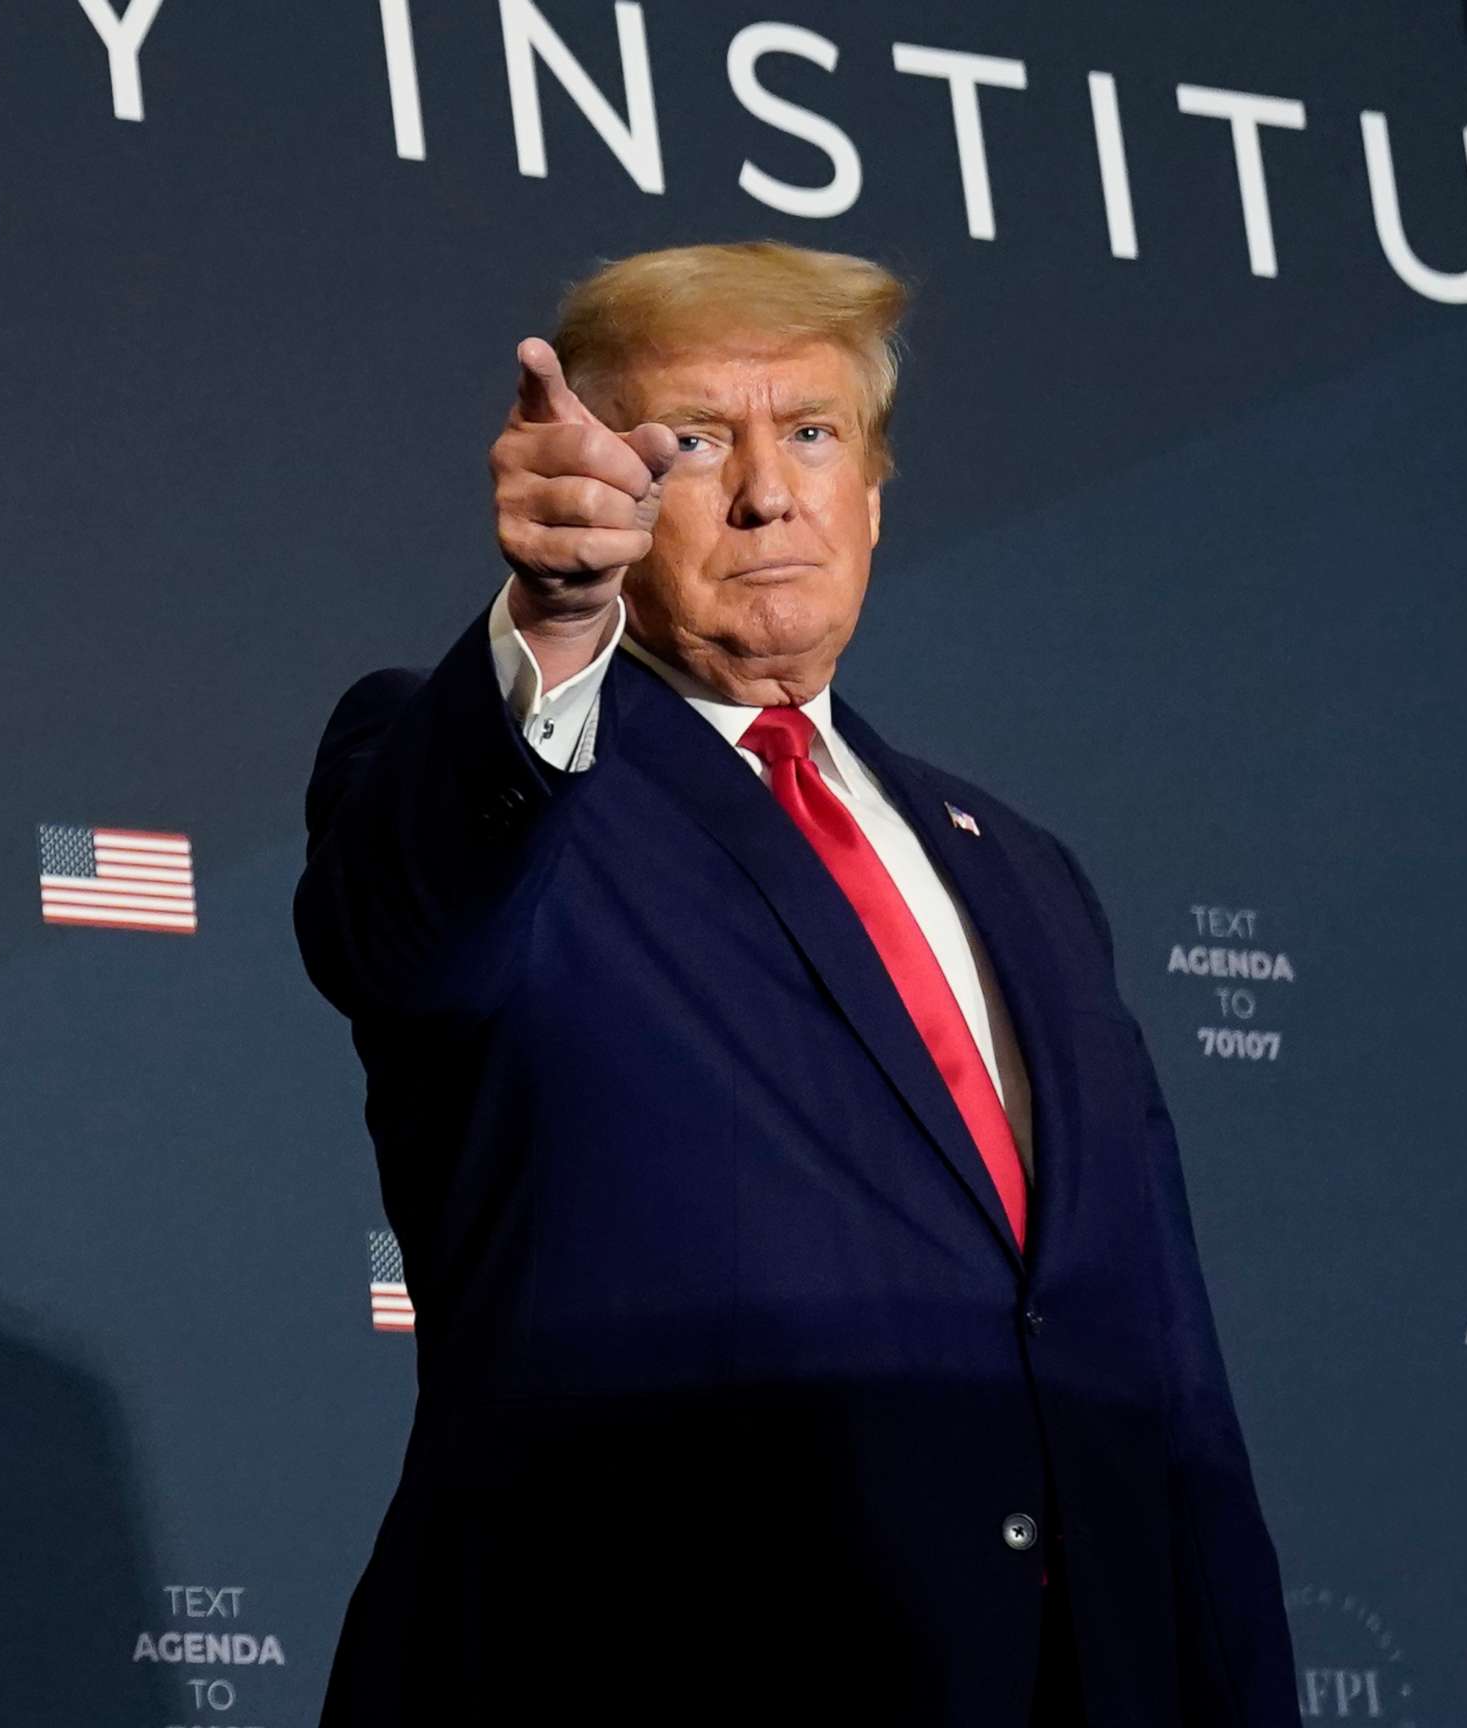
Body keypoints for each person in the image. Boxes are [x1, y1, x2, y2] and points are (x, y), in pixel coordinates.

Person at [292, 241, 1296, 1727]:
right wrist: (552, 625)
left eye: (813, 434)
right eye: (697, 443)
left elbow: (1165, 1375)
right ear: (608, 493)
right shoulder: (498, 773)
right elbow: (407, 935)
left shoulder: (1017, 866)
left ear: (875, 496)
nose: (768, 492)